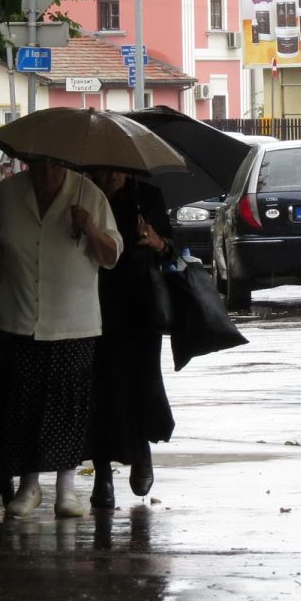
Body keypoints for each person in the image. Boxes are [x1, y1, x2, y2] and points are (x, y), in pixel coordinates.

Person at [0, 157, 121, 518]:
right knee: (23, 403)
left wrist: (89, 228)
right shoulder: (9, 194)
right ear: (28, 164)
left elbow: (112, 256)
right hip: (20, 317)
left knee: (67, 407)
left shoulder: (90, 195)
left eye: (54, 168)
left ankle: (66, 490)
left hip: (74, 323)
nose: (46, 175)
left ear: (66, 165)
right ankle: (29, 486)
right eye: (38, 167)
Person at [88, 170, 176, 509]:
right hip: (93, 303)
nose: (112, 175)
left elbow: (170, 248)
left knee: (141, 382)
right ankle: (102, 474)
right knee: (100, 388)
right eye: (106, 168)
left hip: (140, 305)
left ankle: (141, 454)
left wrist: (157, 241)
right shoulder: (85, 195)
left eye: (118, 169)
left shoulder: (147, 197)